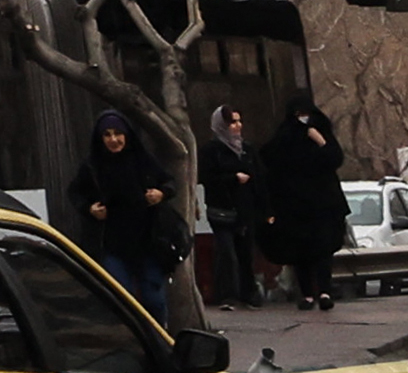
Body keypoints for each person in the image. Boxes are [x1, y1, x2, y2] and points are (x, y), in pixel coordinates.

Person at [68, 102, 188, 328]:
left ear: (127, 135)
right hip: (111, 244)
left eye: (118, 134)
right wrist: (90, 209)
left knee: (154, 301)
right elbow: (75, 193)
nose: (114, 140)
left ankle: (159, 343)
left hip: (149, 242)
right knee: (123, 299)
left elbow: (169, 181)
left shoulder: (143, 161)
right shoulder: (93, 166)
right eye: (107, 135)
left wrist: (161, 193)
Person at [259, 94, 354, 314]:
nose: (303, 119)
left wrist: (320, 141)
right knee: (300, 252)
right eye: (299, 115)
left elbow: (335, 158)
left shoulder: (321, 133)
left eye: (306, 114)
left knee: (323, 250)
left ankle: (324, 292)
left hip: (322, 205)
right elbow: (269, 160)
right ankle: (307, 294)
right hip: (295, 207)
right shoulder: (285, 138)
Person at [201, 102, 263, 303]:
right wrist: (233, 177)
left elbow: (259, 176)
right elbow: (207, 177)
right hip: (222, 209)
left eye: (238, 121)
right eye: (231, 123)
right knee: (227, 253)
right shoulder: (212, 150)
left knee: (246, 252)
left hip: (245, 208)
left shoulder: (246, 149)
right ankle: (228, 294)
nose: (237, 126)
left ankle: (248, 292)